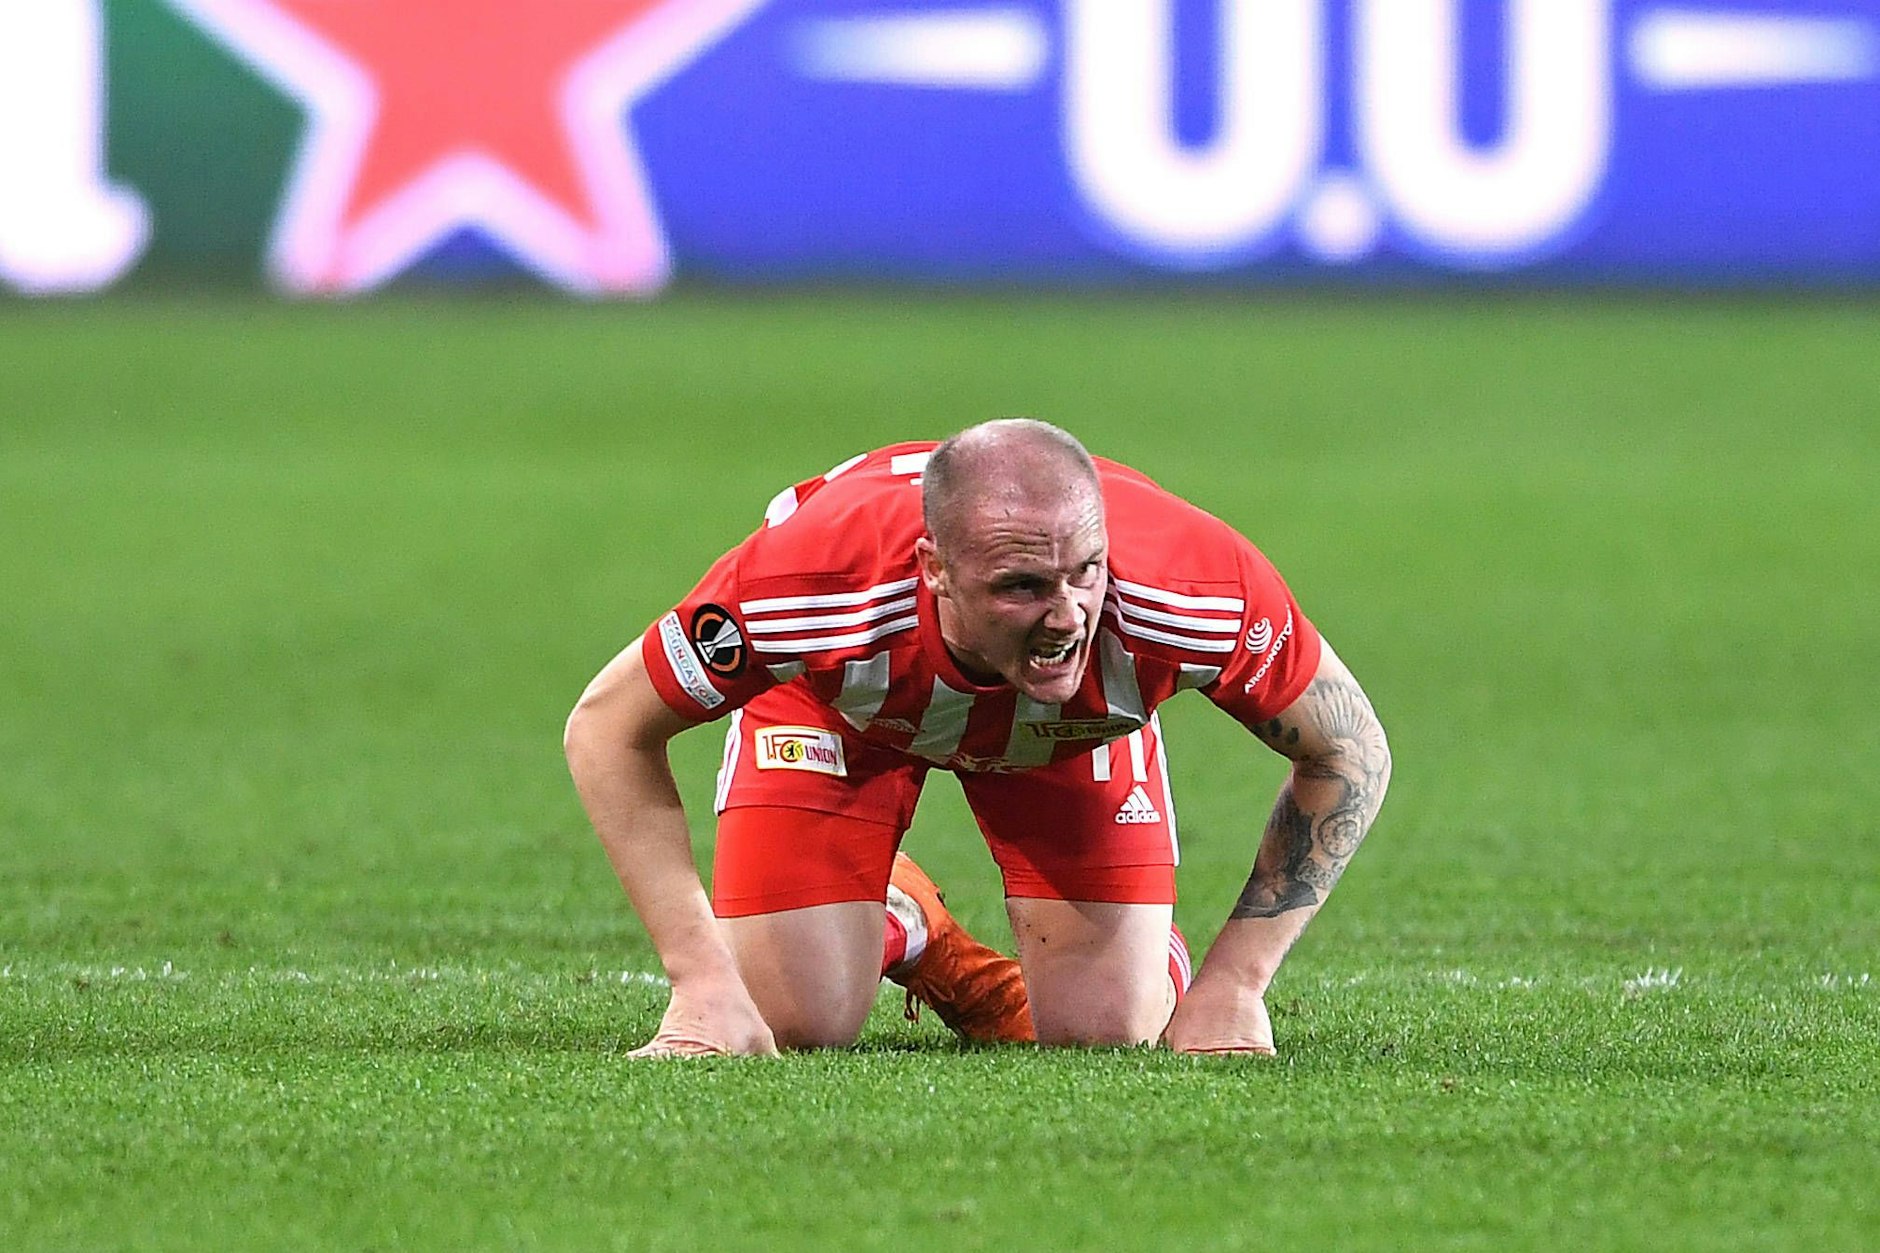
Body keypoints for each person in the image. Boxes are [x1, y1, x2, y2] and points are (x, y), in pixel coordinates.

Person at [564, 419, 1391, 1056]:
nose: (1067, 614)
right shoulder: (810, 583)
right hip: (846, 709)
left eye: (1085, 572)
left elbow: (1350, 750)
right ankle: (900, 921)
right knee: (791, 1016)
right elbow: (609, 727)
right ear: (933, 569)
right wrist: (699, 978)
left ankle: (979, 949)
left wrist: (1235, 983)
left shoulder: (1193, 587)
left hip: (1064, 734)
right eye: (1021, 585)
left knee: (1108, 1029)